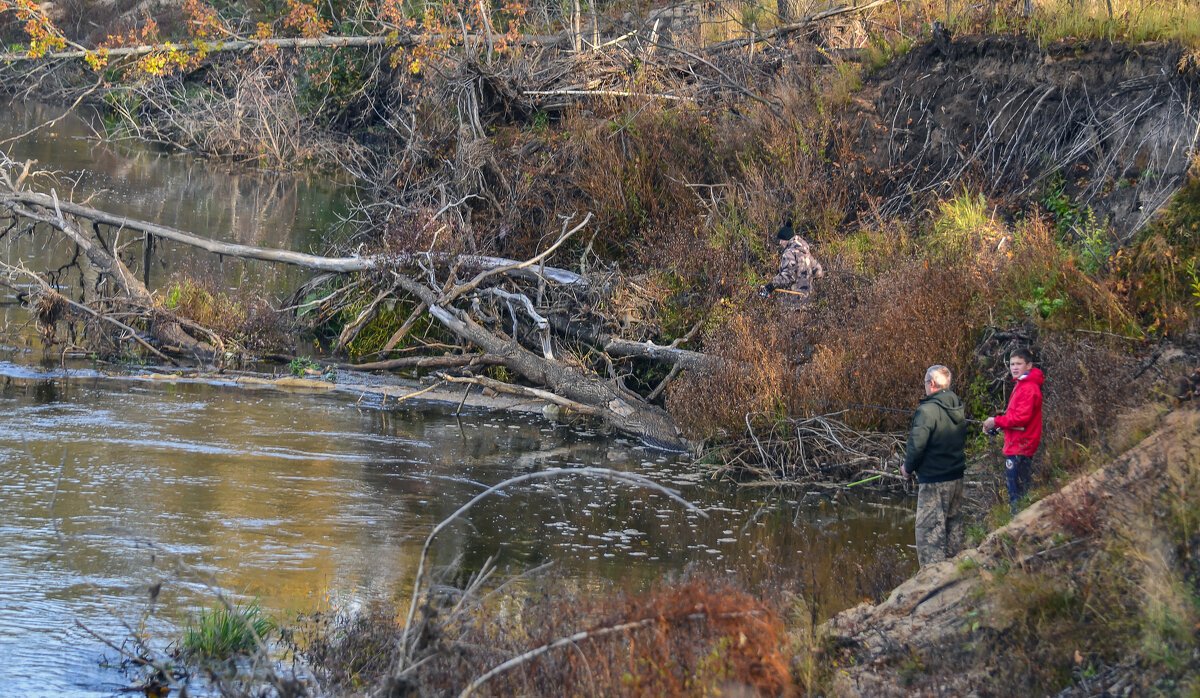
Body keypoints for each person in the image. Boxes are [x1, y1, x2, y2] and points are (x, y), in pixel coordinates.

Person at [901, 365, 968, 568]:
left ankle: (933, 581)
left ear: (931, 384)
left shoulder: (926, 411)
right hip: (956, 477)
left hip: (934, 481)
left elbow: (917, 445)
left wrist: (907, 468)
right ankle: (956, 572)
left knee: (930, 534)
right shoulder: (957, 404)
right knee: (953, 529)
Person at [982, 348, 1044, 515]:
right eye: (1012, 364)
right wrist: (997, 426)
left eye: (1019, 364)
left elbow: (1021, 418)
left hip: (1022, 446)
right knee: (1016, 488)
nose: (1014, 368)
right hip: (1016, 444)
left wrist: (995, 420)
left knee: (1016, 491)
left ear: (1029, 365)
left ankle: (1017, 524)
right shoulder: (1021, 385)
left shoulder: (1029, 388)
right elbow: (1013, 417)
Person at [761, 219, 823, 307]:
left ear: (787, 239)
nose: (780, 242)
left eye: (781, 240)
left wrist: (771, 286)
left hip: (792, 301)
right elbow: (818, 272)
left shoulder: (789, 253)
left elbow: (787, 275)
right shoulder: (805, 252)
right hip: (808, 300)